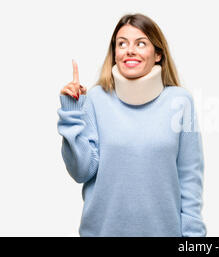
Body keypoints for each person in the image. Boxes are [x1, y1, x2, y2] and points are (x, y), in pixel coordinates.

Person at [57, 13, 206, 237]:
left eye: (141, 43)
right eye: (122, 44)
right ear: (114, 53)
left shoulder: (180, 101)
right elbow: (81, 171)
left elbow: (190, 179)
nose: (130, 50)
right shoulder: (96, 99)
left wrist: (194, 239)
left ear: (158, 54)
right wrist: (72, 111)